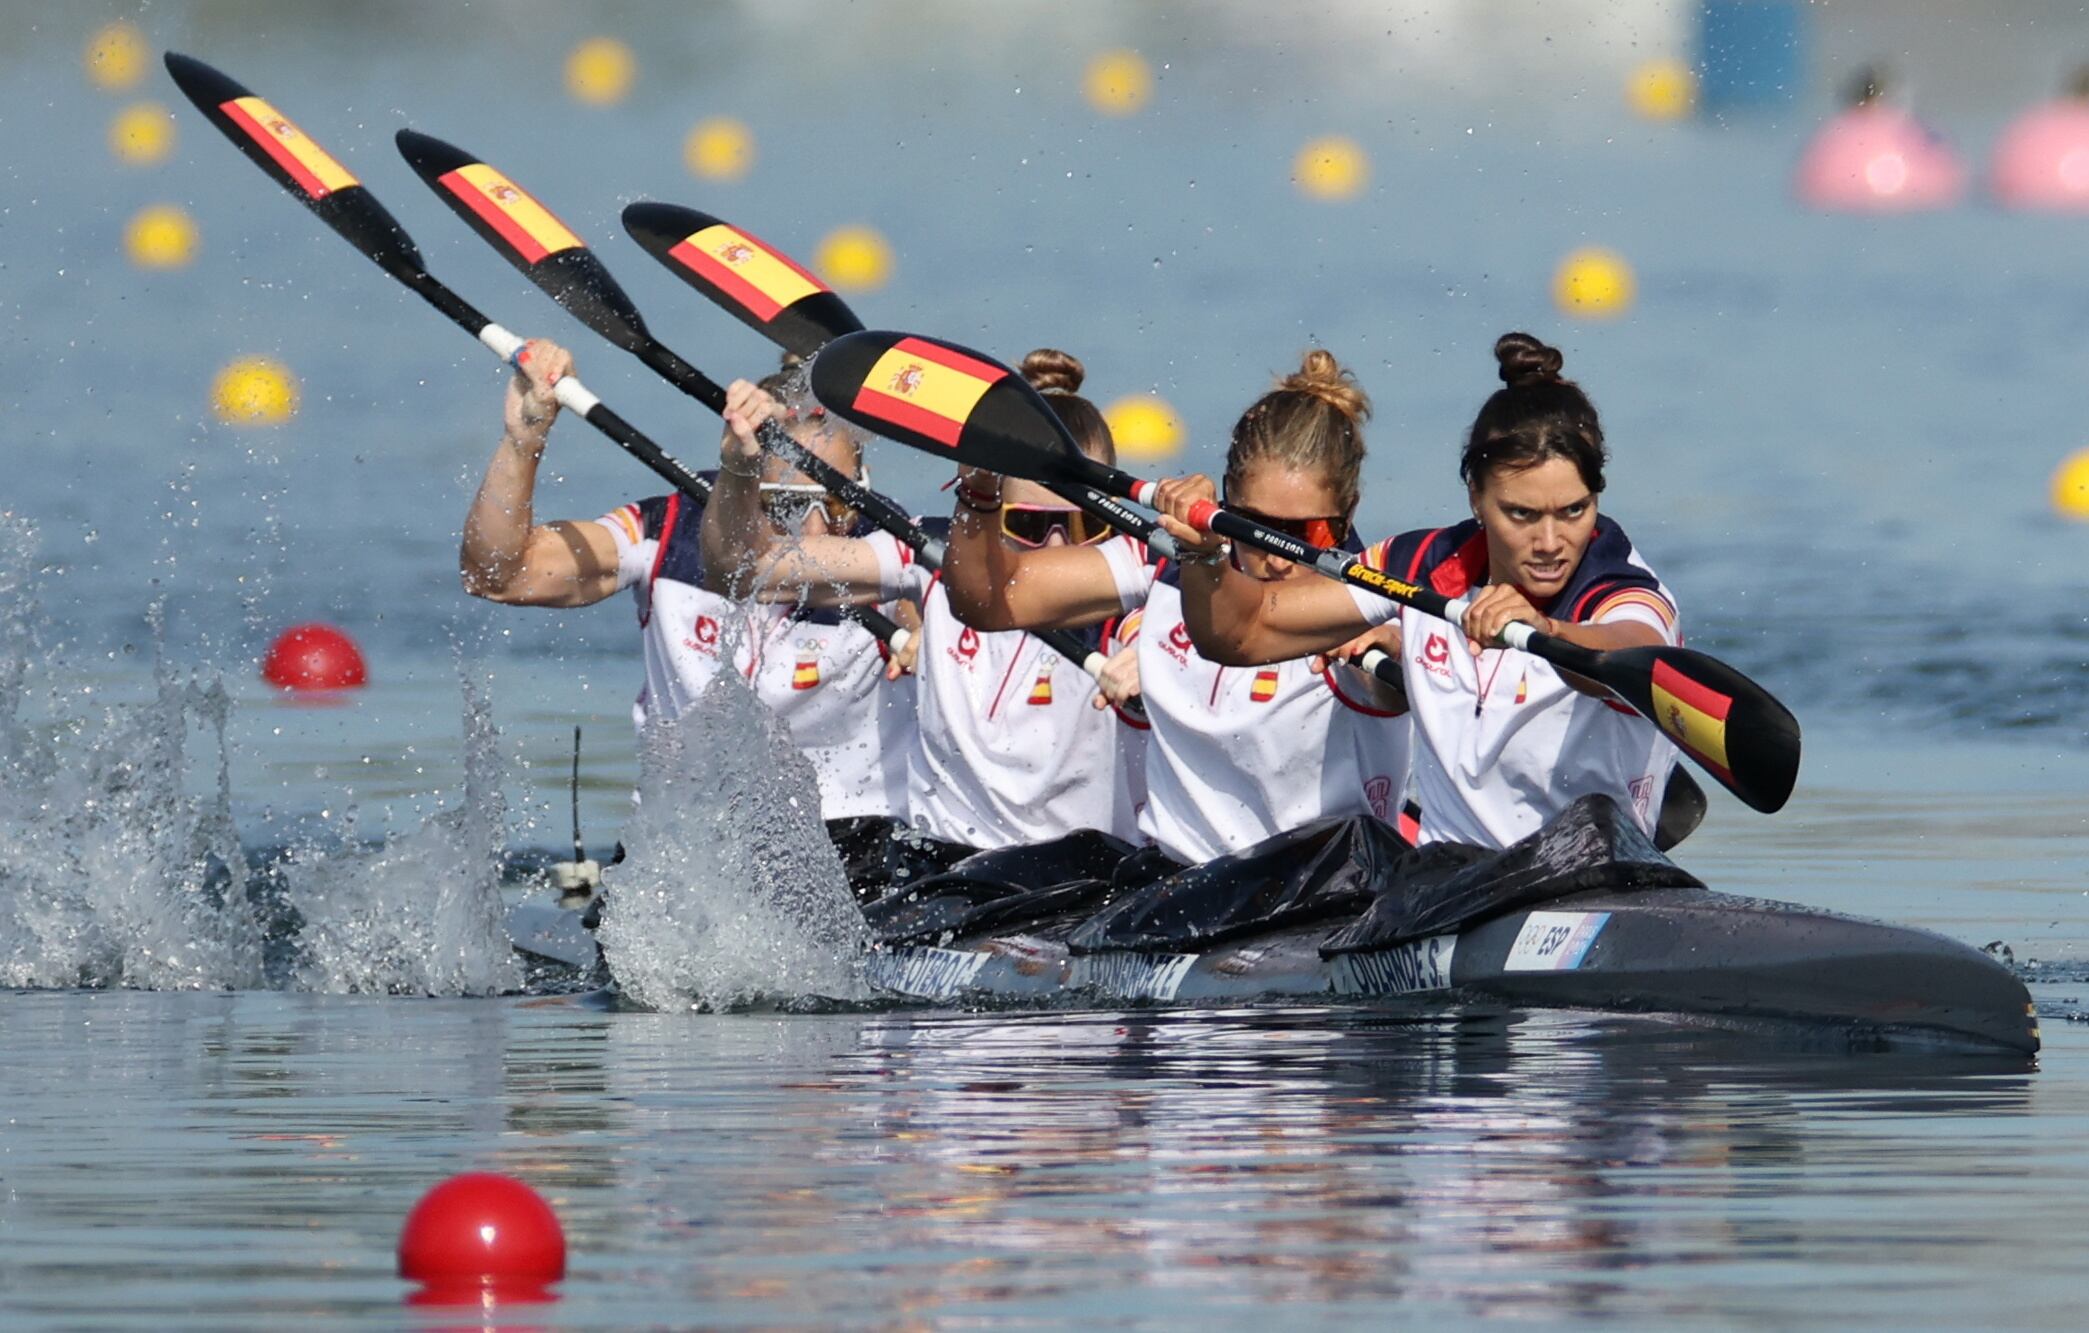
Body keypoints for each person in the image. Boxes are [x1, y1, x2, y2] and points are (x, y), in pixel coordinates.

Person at [1166, 332, 1680, 850]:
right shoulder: (1418, 567)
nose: (1550, 543)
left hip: (1588, 872)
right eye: (1521, 514)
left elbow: (1635, 653)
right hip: (1446, 888)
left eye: (1574, 510)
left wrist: (1549, 631)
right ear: (1476, 498)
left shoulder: (1618, 586)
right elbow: (1244, 631)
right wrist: (1203, 554)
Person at [458, 339, 919, 885]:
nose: (816, 533)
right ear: (745, 487)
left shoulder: (892, 548)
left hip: (853, 844)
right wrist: (525, 436)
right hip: (683, 845)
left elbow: (971, 618)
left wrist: (923, 640)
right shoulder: (669, 529)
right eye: (788, 506)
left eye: (838, 504)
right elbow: (498, 575)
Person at [941, 348, 1411, 868]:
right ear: (1227, 501)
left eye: (1305, 534)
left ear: (1350, 513)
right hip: (1178, 890)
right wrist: (978, 491)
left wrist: (1396, 656)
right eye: (1255, 528)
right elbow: (989, 600)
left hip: (1324, 893)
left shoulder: (1374, 603)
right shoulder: (1167, 564)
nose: (1278, 556)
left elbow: (1403, 679)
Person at [702, 353, 1147, 879]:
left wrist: (1159, 657)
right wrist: (738, 467)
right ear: (986, 508)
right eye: (1029, 524)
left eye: (1083, 526)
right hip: (944, 874)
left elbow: (1233, 629)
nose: (1056, 547)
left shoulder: (1140, 586)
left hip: (1082, 878)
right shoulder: (934, 554)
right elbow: (743, 568)